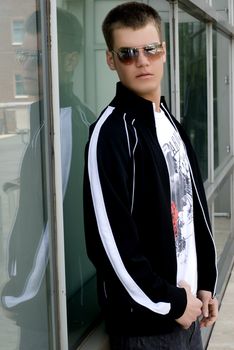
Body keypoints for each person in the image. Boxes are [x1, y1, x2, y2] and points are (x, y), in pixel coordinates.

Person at [83, 2, 218, 349]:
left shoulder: (168, 121)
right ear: (111, 60)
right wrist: (171, 302)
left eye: (150, 49)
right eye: (127, 53)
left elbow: (192, 207)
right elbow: (110, 244)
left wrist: (205, 282)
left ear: (163, 52)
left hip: (188, 313)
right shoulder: (111, 134)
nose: (141, 61)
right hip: (147, 327)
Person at [1, 8, 95, 350]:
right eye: (23, 55)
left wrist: (19, 294)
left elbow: (53, 228)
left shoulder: (64, 125)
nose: (25, 68)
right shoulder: (46, 117)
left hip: (54, 309)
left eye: (36, 58)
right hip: (47, 300)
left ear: (68, 62)